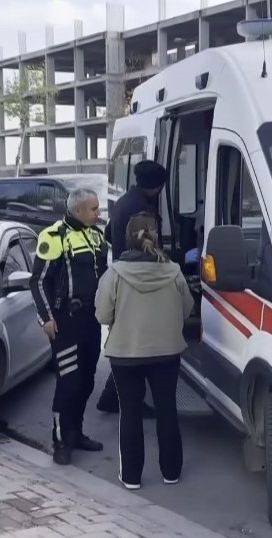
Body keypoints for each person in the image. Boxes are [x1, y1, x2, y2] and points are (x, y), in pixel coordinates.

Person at [95, 212, 193, 490]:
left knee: (130, 412)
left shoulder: (115, 273)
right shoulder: (173, 270)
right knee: (167, 409)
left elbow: (102, 315)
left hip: (125, 355)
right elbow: (186, 309)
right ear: (156, 236)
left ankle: (132, 477)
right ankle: (171, 472)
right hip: (166, 352)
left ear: (128, 238)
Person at [30, 188, 108, 465]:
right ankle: (60, 441)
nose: (98, 213)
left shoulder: (98, 236)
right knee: (69, 382)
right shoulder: (53, 236)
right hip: (66, 323)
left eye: (98, 208)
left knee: (87, 380)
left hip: (92, 320)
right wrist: (47, 318)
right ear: (77, 210)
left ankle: (76, 432)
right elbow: (38, 282)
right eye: (93, 209)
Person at [96, 160, 169, 414]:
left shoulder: (123, 202)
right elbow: (150, 246)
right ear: (157, 188)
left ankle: (111, 396)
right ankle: (125, 400)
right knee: (137, 347)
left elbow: (106, 235)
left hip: (121, 274)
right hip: (137, 280)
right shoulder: (142, 209)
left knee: (129, 343)